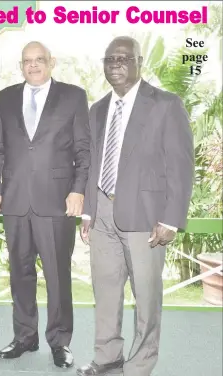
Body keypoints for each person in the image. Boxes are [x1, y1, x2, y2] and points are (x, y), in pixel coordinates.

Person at [77, 36, 194, 376]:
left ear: (140, 62)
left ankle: (139, 366)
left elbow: (181, 165)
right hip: (101, 216)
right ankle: (107, 358)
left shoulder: (166, 105)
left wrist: (171, 219)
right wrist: (88, 210)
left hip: (146, 219)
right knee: (106, 293)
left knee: (146, 298)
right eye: (110, 58)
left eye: (125, 58)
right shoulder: (97, 109)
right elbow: (92, 163)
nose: (116, 63)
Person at [0, 41, 90, 368]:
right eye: (27, 61)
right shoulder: (3, 99)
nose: (33, 66)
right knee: (19, 273)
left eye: (39, 60)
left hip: (57, 203)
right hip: (16, 201)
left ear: (52, 62)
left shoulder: (73, 96)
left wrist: (78, 190)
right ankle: (24, 336)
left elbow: (83, 151)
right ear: (21, 65)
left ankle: (60, 342)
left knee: (57, 275)